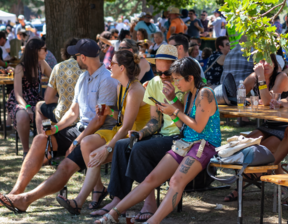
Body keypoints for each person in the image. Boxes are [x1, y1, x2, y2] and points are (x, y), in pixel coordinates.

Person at [0, 39, 117, 213]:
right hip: (81, 129)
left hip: (97, 134)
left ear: (83, 57)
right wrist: (56, 128)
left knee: (65, 166)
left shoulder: (107, 80)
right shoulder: (83, 77)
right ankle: (15, 193)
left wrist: (77, 141)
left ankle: (25, 200)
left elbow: (99, 120)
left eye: (76, 57)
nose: (74, 60)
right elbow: (73, 112)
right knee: (41, 139)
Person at [93, 57, 220, 224]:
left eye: (177, 79)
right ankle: (112, 214)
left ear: (190, 78)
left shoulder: (205, 93)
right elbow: (184, 125)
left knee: (175, 181)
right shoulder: (191, 93)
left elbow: (198, 127)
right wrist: (171, 106)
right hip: (185, 143)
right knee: (151, 179)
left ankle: (152, 221)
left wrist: (173, 112)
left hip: (204, 145)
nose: (175, 83)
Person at [90, 44, 182, 219]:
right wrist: (142, 133)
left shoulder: (182, 83)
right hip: (159, 135)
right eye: (159, 71)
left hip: (179, 136)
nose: (162, 77)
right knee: (123, 144)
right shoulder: (155, 83)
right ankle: (118, 198)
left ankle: (149, 202)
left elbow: (186, 121)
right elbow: (155, 121)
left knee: (139, 149)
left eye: (167, 73)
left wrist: (173, 99)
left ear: (176, 68)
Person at [56, 49, 151, 215]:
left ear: (121, 68)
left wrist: (106, 148)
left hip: (135, 135)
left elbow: (128, 126)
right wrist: (109, 112)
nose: (108, 65)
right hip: (121, 131)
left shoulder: (134, 90)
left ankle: (81, 200)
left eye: (112, 63)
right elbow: (122, 117)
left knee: (94, 154)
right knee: (86, 143)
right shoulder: (122, 87)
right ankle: (93, 193)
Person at [224, 54, 288, 202]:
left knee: (260, 152)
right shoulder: (253, 76)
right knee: (243, 144)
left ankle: (283, 184)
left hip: (285, 127)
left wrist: (260, 79)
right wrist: (248, 99)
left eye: (268, 61)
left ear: (275, 63)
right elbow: (237, 97)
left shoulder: (281, 77)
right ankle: (243, 185)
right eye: (261, 61)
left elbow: (267, 101)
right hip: (268, 125)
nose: (265, 64)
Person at [7, 38, 52, 153]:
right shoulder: (20, 67)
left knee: (47, 112)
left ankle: (46, 150)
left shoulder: (42, 64)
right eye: (44, 49)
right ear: (35, 50)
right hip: (20, 101)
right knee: (22, 115)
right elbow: (17, 94)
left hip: (36, 99)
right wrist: (27, 107)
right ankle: (26, 151)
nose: (47, 52)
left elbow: (55, 79)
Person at [37, 38, 81, 139]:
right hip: (85, 116)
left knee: (39, 106)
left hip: (64, 115)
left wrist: (62, 99)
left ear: (65, 51)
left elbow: (47, 99)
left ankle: (45, 143)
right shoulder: (89, 68)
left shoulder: (59, 67)